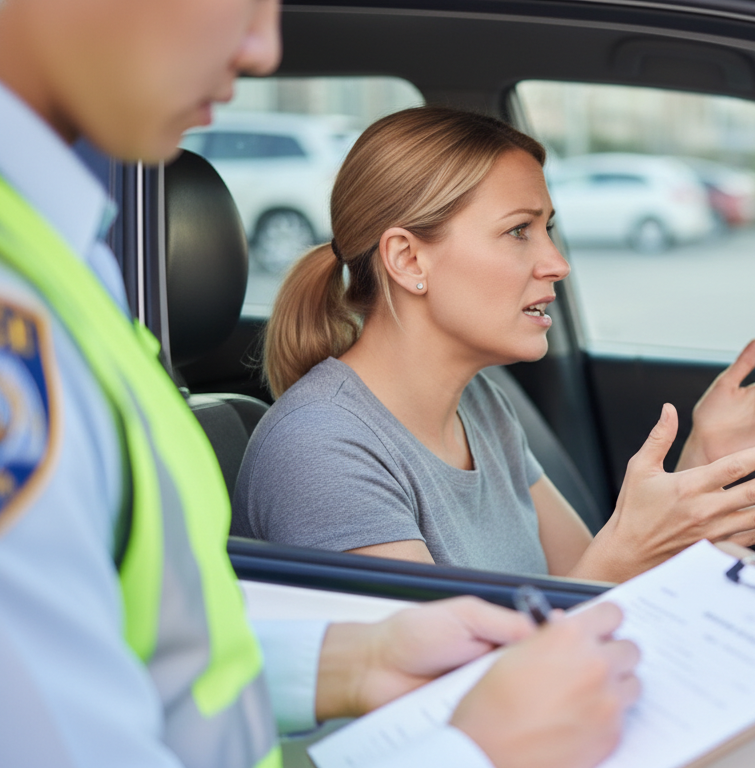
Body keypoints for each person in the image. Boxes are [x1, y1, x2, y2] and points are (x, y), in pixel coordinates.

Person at [0, 2, 640, 768]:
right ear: (407, 260)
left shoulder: (68, 268)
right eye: (518, 230)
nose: (266, 47)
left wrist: (352, 662)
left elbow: (157, 652)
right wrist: (476, 752)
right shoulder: (34, 314)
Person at [234, 106, 755, 583]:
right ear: (406, 257)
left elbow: (580, 583)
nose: (556, 263)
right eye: (518, 232)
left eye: (548, 230)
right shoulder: (319, 452)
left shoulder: (481, 406)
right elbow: (438, 706)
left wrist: (702, 462)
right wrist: (624, 556)